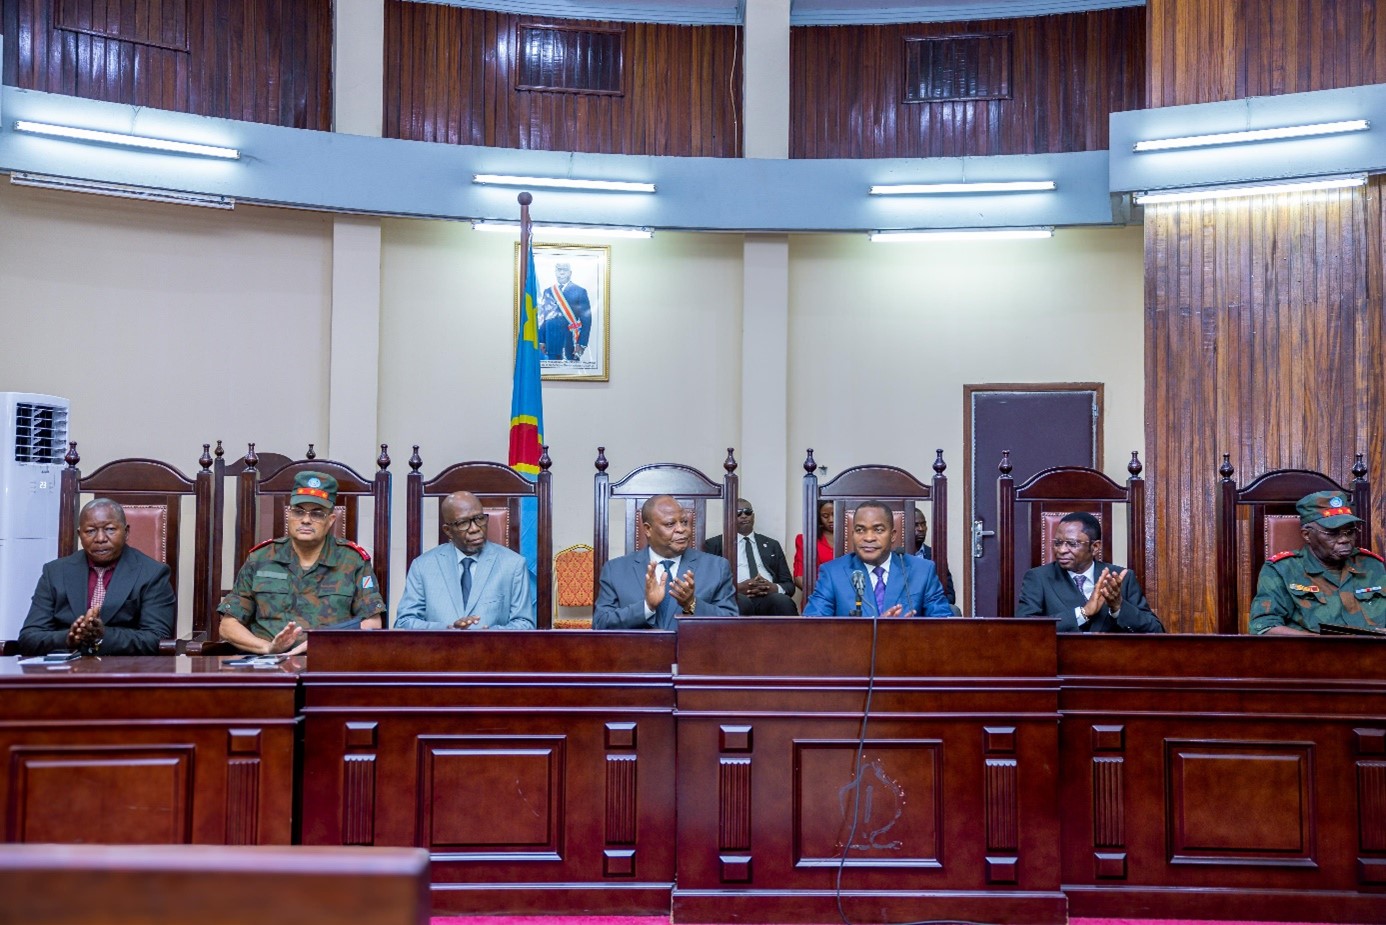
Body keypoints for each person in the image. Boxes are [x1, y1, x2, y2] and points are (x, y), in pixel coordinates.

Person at [218, 471, 386, 653]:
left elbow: (372, 623)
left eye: (317, 514)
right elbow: (228, 625)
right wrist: (268, 648)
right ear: (289, 515)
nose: (306, 520)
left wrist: (321, 643)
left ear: (330, 520)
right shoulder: (261, 558)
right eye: (298, 511)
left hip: (328, 663)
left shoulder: (352, 561)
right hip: (266, 665)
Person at [18, 498, 175, 655]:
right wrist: (70, 638)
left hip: (124, 671)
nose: (100, 538)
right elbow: (29, 638)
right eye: (90, 531)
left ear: (126, 532)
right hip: (65, 671)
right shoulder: (55, 572)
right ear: (80, 535)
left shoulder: (152, 573)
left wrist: (102, 636)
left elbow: (157, 638)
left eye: (110, 529)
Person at [1249, 490, 1386, 635]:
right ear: (1307, 535)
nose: (1344, 539)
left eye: (1350, 531)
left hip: (1374, 655)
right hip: (1312, 655)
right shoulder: (1282, 570)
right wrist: (1319, 643)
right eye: (1333, 533)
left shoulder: (1373, 565)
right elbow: (1264, 628)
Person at [593, 494, 738, 629]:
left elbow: (731, 624)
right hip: (636, 654)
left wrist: (692, 604)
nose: (682, 529)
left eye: (684, 522)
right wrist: (646, 607)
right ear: (648, 529)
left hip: (692, 654)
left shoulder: (717, 567)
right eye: (670, 524)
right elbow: (600, 624)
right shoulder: (615, 569)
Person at [395, 490, 534, 630]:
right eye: (463, 523)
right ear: (448, 530)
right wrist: (448, 630)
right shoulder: (423, 566)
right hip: (438, 650)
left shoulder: (513, 564)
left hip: (492, 650)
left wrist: (489, 635)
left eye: (479, 519)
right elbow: (404, 622)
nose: (474, 529)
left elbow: (525, 624)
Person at [1016, 512, 1163, 632]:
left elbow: (1156, 631)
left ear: (1095, 547)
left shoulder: (1120, 578)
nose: (1061, 550)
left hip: (1113, 663)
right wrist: (1082, 613)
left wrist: (1119, 607)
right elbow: (1025, 629)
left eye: (1072, 544)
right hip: (1061, 664)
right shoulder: (1038, 578)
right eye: (1058, 543)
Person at [803, 500, 952, 617]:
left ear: (893, 535)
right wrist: (876, 630)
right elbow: (814, 627)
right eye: (860, 530)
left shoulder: (922, 571)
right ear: (853, 534)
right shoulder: (832, 573)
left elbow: (942, 625)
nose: (868, 538)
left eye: (878, 530)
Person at [702, 498, 798, 615]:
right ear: (729, 517)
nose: (744, 516)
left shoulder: (772, 544)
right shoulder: (714, 544)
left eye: (747, 512)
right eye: (738, 513)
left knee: (783, 602)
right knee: (739, 603)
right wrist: (735, 588)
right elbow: (707, 584)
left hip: (768, 596)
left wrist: (774, 587)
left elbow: (788, 585)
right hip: (736, 596)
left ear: (753, 516)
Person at [538, 261, 592, 362]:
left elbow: (587, 321)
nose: (561, 273)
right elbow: (543, 318)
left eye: (565, 270)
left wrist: (581, 343)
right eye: (559, 270)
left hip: (571, 341)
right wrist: (541, 340)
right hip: (551, 341)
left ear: (570, 273)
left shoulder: (580, 291)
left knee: (572, 374)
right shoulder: (548, 291)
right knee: (552, 374)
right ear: (555, 272)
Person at [910, 508, 956, 605]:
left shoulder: (936, 555)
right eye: (916, 525)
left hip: (931, 609)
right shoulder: (897, 555)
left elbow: (950, 595)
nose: (921, 529)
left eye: (923, 524)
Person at [793, 500, 836, 591]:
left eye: (834, 514)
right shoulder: (806, 540)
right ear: (819, 517)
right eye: (825, 516)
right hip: (818, 597)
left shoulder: (853, 538)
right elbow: (799, 577)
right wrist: (821, 595)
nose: (831, 520)